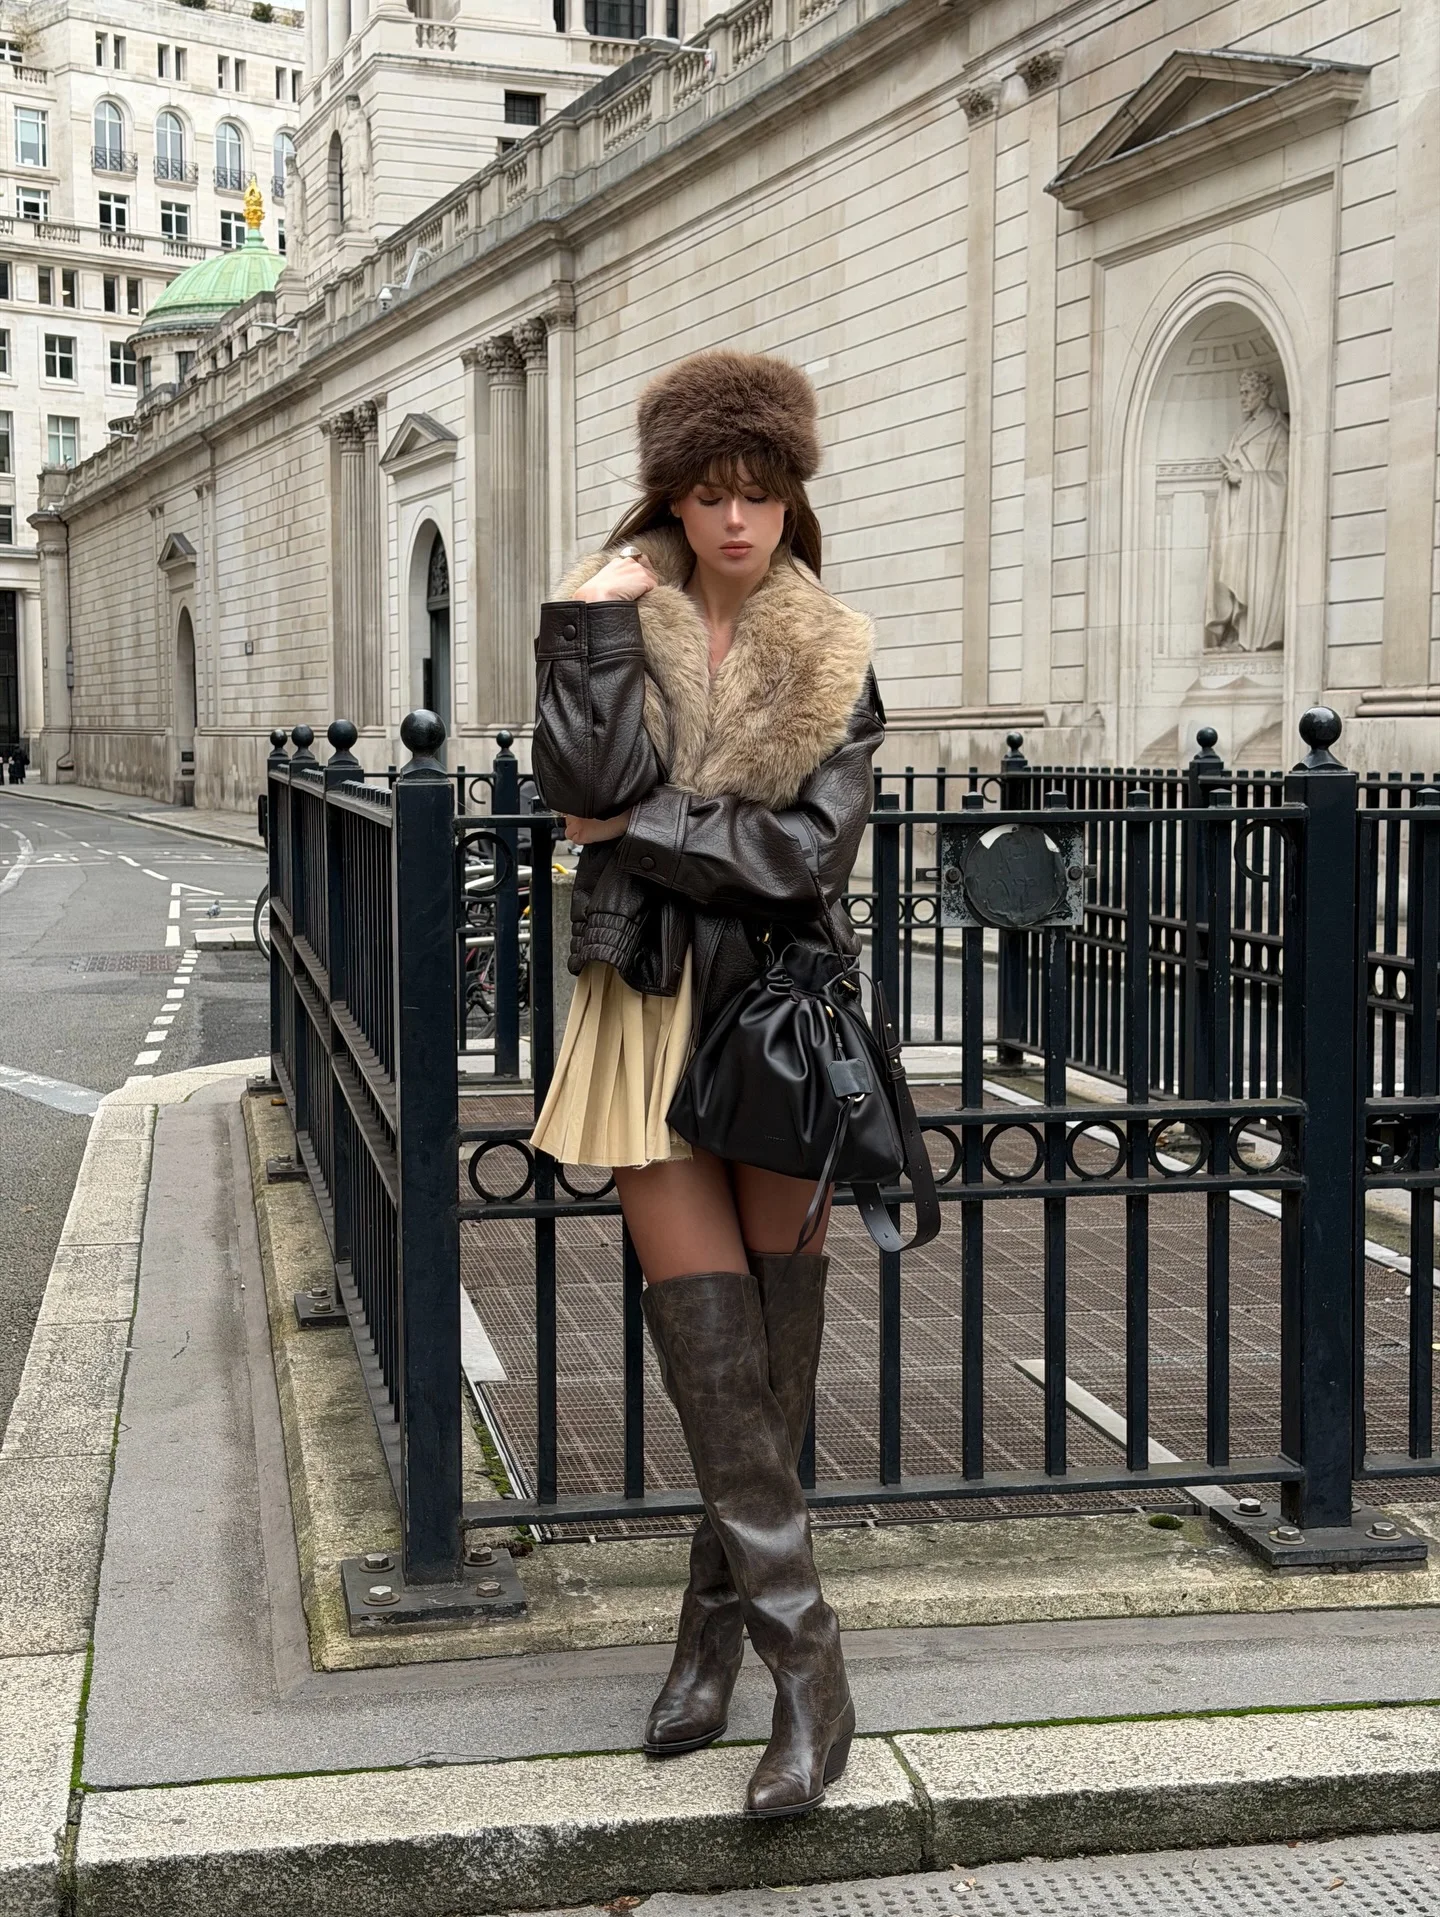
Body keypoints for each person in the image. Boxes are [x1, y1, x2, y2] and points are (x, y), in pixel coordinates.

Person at [528, 349, 884, 1819]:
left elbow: (799, 858)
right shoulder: (618, 618)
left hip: (777, 1017)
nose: (737, 519)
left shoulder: (837, 655)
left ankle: (718, 1636)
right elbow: (575, 788)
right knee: (708, 1354)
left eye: (762, 489)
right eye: (711, 490)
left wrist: (642, 822)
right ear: (673, 491)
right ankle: (812, 1672)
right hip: (644, 1009)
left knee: (765, 1370)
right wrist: (588, 631)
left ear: (791, 494)